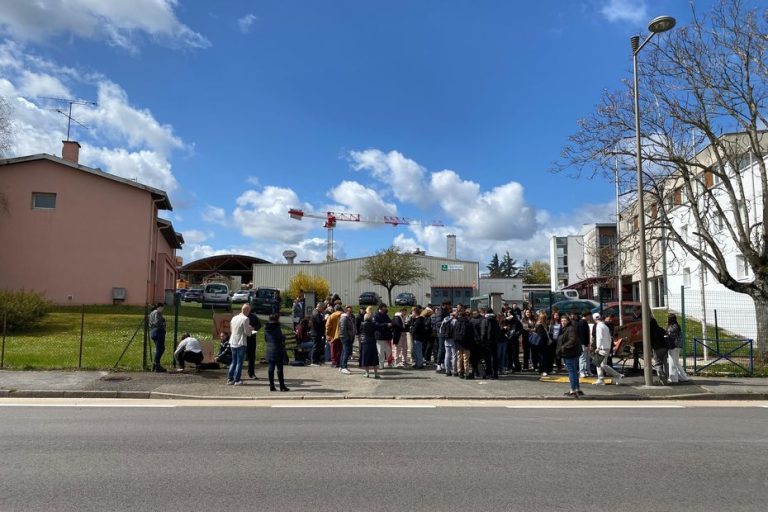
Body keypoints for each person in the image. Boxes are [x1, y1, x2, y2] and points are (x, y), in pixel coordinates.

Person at [556, 314, 583, 398]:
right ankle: (577, 389)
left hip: (569, 353)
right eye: (562, 321)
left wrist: (563, 347)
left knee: (571, 371)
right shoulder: (566, 328)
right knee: (574, 371)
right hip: (572, 352)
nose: (563, 322)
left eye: (564, 321)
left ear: (568, 321)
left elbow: (572, 339)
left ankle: (573, 390)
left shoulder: (570, 328)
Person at [592, 313, 623, 385]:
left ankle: (618, 375)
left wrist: (598, 347)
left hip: (602, 347)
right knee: (598, 363)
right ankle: (600, 379)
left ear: (594, 319)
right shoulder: (605, 326)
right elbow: (609, 337)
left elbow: (599, 338)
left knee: (602, 364)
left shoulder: (599, 326)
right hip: (606, 347)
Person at [227, 304, 253, 385]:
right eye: (249, 311)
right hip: (241, 342)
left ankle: (230, 379)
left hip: (233, 341)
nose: (249, 312)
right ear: (246, 311)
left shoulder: (234, 317)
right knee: (239, 362)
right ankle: (237, 380)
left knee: (233, 361)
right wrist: (250, 329)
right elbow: (247, 333)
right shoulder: (246, 319)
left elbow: (231, 330)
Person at [264, 313, 289, 391]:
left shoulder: (266, 328)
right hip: (277, 349)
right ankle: (282, 386)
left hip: (269, 349)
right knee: (279, 368)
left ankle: (271, 385)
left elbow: (266, 339)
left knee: (271, 368)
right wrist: (283, 337)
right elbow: (280, 338)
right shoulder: (277, 328)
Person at [667, 313, 689, 383]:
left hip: (672, 346)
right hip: (678, 346)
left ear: (670, 319)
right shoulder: (677, 326)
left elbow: (670, 335)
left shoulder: (672, 327)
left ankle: (673, 379)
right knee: (676, 362)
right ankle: (683, 377)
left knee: (672, 362)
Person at [480, 308, 501, 379]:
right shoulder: (495, 321)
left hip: (486, 343)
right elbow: (498, 332)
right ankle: (495, 373)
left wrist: (482, 342)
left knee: (487, 359)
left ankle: (489, 373)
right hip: (494, 342)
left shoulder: (484, 321)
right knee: (495, 358)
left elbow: (483, 333)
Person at [454, 306, 473, 379]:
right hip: (466, 343)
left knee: (459, 358)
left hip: (459, 343)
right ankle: (466, 373)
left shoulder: (457, 322)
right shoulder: (468, 322)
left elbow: (454, 332)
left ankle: (459, 372)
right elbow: (470, 333)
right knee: (466, 359)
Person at [359, 312, 380, 378]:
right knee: (374, 357)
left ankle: (367, 373)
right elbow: (377, 328)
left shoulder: (362, 324)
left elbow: (360, 331)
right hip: (372, 341)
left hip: (365, 341)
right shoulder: (373, 324)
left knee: (366, 358)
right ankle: (376, 373)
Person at [650, 315, 670, 385]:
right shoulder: (660, 329)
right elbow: (666, 334)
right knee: (665, 363)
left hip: (656, 349)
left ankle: (661, 374)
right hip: (665, 348)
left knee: (658, 363)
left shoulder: (649, 332)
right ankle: (666, 378)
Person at [148, 303, 167, 372]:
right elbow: (158, 322)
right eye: (162, 308)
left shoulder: (151, 313)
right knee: (160, 349)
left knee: (160, 349)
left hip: (153, 332)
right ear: (159, 307)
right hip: (158, 332)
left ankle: (155, 364)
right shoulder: (157, 312)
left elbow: (150, 323)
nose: (162, 309)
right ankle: (157, 365)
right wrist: (163, 326)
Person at [373, 304, 393, 370]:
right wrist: (386, 324)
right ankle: (381, 364)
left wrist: (391, 324)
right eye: (384, 308)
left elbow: (390, 321)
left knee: (388, 350)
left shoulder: (385, 315)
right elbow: (376, 325)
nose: (385, 309)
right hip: (380, 336)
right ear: (380, 308)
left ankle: (389, 362)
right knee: (380, 351)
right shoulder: (376, 316)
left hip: (387, 336)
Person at [339, 305, 356, 374]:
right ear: (346, 311)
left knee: (344, 352)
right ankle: (344, 367)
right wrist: (347, 337)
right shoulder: (344, 318)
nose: (350, 312)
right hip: (345, 337)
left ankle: (341, 366)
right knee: (346, 352)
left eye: (351, 311)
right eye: (349, 311)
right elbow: (343, 329)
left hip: (347, 337)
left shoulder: (349, 317)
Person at [246, 308, 262, 380]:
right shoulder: (240, 317)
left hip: (251, 339)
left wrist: (253, 328)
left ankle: (251, 373)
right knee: (239, 357)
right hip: (242, 339)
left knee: (251, 357)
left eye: (248, 310)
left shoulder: (253, 317)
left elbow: (259, 325)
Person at [441, 310, 456, 377]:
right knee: (454, 355)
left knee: (447, 355)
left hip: (446, 339)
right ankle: (454, 370)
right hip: (453, 339)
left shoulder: (445, 319)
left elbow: (441, 329)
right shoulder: (455, 321)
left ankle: (447, 370)